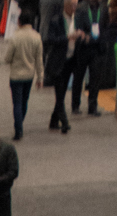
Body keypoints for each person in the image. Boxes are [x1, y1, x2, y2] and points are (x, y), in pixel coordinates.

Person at [3, 8, 43, 136]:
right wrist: (40, 77)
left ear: (19, 21)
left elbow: (7, 58)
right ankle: (20, 123)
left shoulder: (15, 37)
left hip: (16, 76)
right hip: (29, 76)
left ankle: (18, 128)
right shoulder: (37, 37)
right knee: (24, 102)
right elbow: (39, 60)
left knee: (17, 103)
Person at [70, 0, 111, 114]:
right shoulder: (81, 8)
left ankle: (92, 107)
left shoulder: (103, 8)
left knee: (95, 78)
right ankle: (75, 105)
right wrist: (86, 37)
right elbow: (78, 28)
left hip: (97, 48)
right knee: (78, 77)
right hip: (83, 48)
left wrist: (101, 40)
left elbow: (106, 27)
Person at [44, 0, 73, 130]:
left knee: (61, 93)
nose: (75, 8)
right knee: (59, 93)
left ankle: (54, 120)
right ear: (66, 6)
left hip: (71, 60)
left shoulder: (77, 19)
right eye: (72, 5)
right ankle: (64, 122)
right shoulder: (56, 21)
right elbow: (51, 39)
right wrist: (66, 38)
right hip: (58, 61)